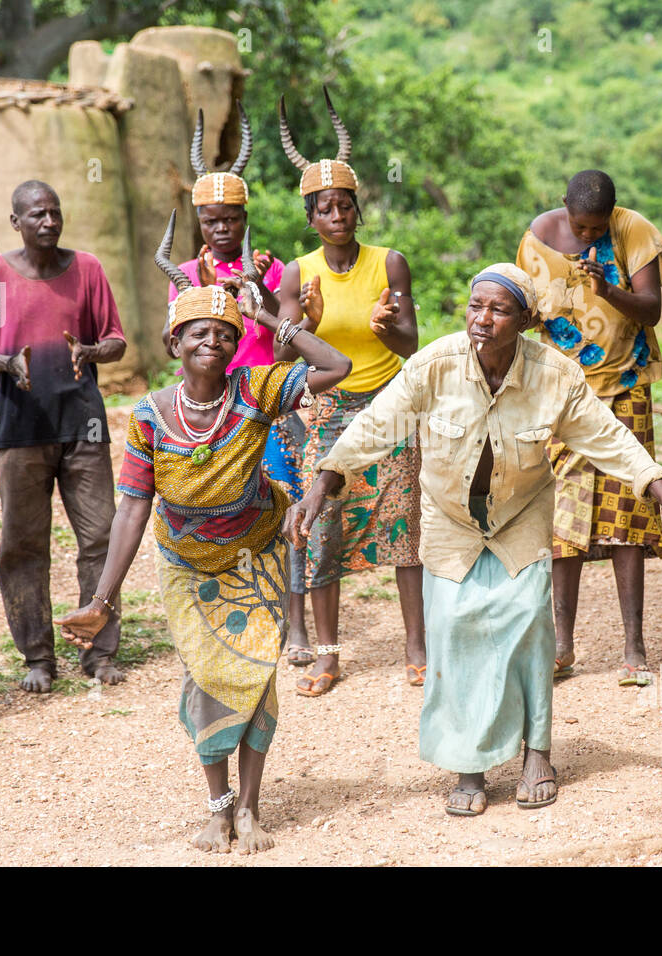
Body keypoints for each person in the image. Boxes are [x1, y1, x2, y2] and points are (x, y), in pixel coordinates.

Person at [287, 264, 662, 815]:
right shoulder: (435, 364)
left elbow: (605, 435)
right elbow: (377, 425)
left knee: (528, 625)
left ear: (525, 321)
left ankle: (536, 753)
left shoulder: (555, 374)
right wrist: (322, 484)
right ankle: (470, 765)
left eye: (499, 310)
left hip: (521, 513)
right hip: (450, 518)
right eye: (476, 306)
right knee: (454, 631)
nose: (482, 319)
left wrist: (661, 489)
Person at [54, 214, 350, 853]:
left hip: (257, 556)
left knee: (255, 676)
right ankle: (216, 809)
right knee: (207, 679)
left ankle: (249, 810)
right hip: (186, 563)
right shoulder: (149, 414)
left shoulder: (259, 386)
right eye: (197, 333)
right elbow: (132, 509)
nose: (211, 342)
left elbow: (339, 366)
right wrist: (103, 603)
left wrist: (271, 321)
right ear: (175, 341)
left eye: (222, 332)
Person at [276, 88, 426, 694]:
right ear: (311, 217)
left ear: (357, 210)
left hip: (390, 407)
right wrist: (307, 323)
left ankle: (418, 648)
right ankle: (330, 655)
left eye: (345, 206)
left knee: (405, 527)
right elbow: (285, 353)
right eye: (325, 209)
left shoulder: (389, 263)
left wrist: (388, 330)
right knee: (323, 529)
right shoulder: (296, 272)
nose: (337, 216)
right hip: (326, 412)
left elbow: (413, 345)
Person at [161, 105, 315, 664]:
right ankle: (239, 615)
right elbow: (167, 338)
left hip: (264, 403)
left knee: (288, 505)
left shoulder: (271, 269)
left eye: (231, 220)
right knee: (222, 508)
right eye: (211, 221)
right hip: (211, 411)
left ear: (244, 218)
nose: (222, 229)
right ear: (200, 222)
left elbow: (286, 335)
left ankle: (296, 624)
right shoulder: (184, 274)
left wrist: (260, 291)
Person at [516, 169, 662, 685]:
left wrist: (609, 290)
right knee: (563, 525)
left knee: (629, 514)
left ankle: (634, 647)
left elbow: (651, 309)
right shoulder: (536, 241)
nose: (589, 236)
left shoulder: (634, 233)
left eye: (597, 227)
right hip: (560, 397)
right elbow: (525, 314)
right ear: (564, 207)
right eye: (581, 227)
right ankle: (562, 646)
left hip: (625, 387)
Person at [0, 180, 127, 693]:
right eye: (37, 214)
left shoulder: (87, 268)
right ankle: (37, 656)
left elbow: (115, 340)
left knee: (101, 537)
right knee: (22, 544)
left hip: (83, 423)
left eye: (55, 212)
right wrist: (5, 361)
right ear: (14, 222)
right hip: (19, 429)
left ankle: (99, 651)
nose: (49, 221)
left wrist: (91, 350)